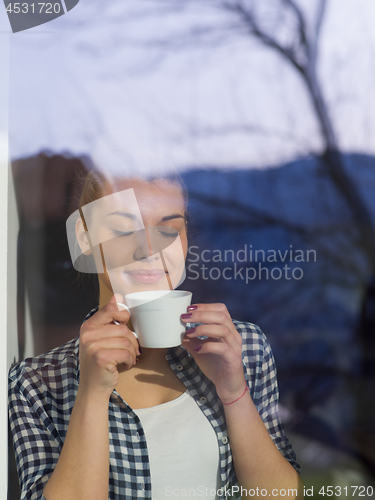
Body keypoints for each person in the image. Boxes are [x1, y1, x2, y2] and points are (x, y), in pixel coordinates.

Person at [9, 166, 302, 500]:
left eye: (168, 230)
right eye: (122, 229)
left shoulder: (240, 347)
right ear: (85, 238)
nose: (148, 248)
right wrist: (91, 394)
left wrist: (234, 392)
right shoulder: (37, 384)